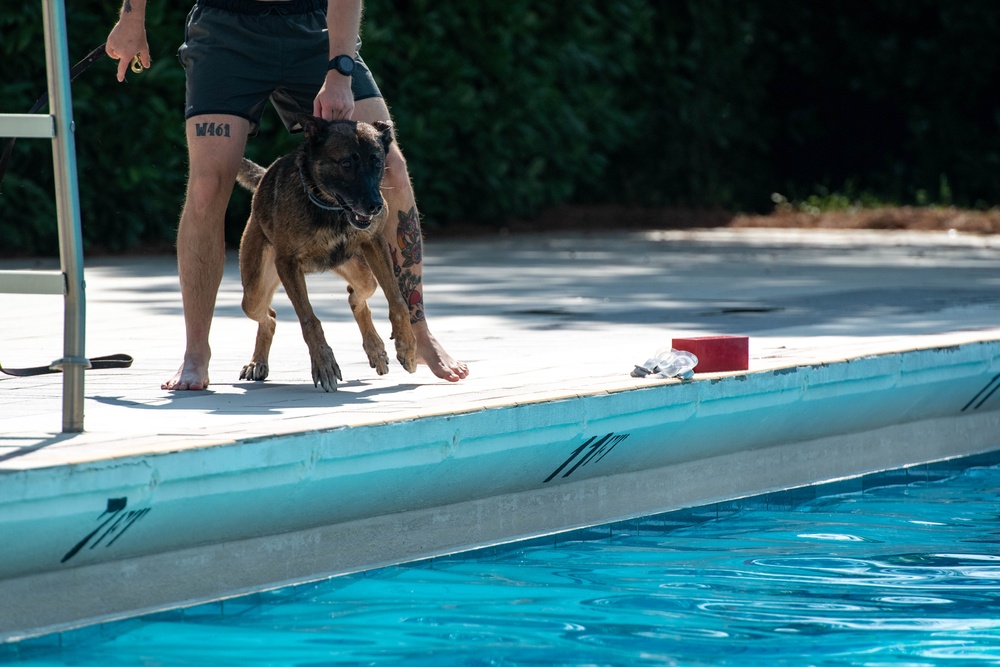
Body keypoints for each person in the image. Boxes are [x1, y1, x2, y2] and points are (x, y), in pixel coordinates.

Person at [105, 0, 469, 390]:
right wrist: (132, 17)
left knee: (392, 164)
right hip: (225, 30)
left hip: (312, 27)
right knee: (208, 185)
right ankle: (196, 354)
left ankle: (419, 329)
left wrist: (341, 70)